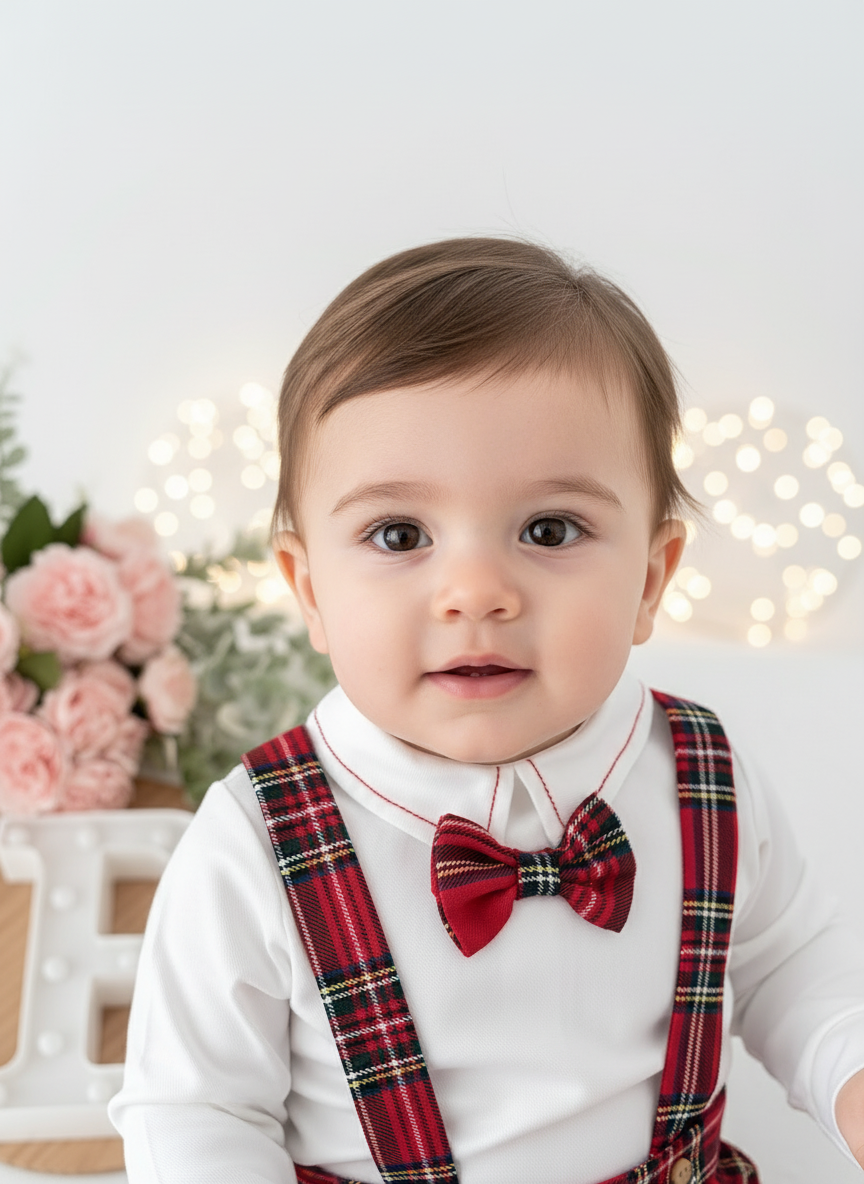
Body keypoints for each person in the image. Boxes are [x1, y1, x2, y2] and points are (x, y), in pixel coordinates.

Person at [110, 238, 864, 1182]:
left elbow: (791, 962)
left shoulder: (699, 771)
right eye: (399, 534)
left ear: (651, 578)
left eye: (550, 529)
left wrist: (850, 1070)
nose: (475, 591)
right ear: (309, 589)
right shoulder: (253, 841)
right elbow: (197, 1113)